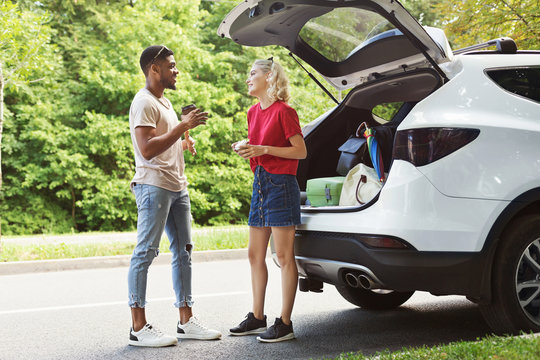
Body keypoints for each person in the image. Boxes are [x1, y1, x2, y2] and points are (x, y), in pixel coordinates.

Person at [127, 45, 221, 347]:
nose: (176, 70)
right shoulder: (144, 102)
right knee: (146, 252)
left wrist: (182, 144)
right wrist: (183, 127)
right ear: (154, 69)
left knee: (184, 252)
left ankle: (186, 320)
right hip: (153, 187)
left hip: (177, 186)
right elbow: (147, 149)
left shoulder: (164, 101)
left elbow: (162, 146)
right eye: (171, 65)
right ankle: (138, 328)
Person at [230, 58, 307, 343]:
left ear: (269, 77)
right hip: (260, 184)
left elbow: (300, 151)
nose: (248, 78)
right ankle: (257, 318)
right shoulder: (252, 112)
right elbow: (260, 148)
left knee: (285, 257)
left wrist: (262, 148)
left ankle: (285, 323)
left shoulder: (285, 111)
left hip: (282, 185)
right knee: (254, 254)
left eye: (253, 73)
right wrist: (246, 147)